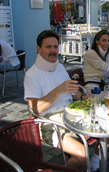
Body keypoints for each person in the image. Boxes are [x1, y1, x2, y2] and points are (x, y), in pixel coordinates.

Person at [24, 30, 96, 169]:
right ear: (38, 49)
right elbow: (35, 109)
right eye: (48, 47)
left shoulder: (60, 66)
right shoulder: (32, 75)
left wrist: (82, 97)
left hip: (72, 114)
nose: (53, 51)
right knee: (82, 156)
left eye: (55, 47)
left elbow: (72, 91)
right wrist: (58, 90)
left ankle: (95, 163)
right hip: (49, 121)